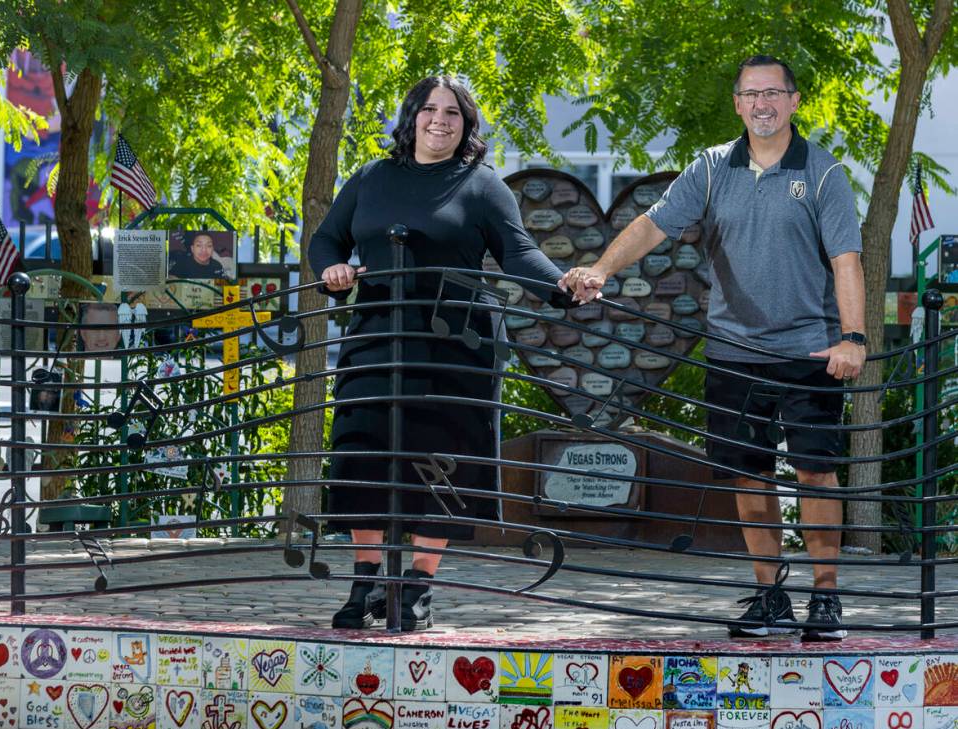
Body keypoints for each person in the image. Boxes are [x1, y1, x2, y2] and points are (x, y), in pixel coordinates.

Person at [561, 55, 865, 641]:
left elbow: (845, 260)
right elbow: (654, 223)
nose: (763, 104)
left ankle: (825, 597)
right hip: (732, 350)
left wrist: (851, 338)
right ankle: (770, 593)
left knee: (815, 475)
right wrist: (601, 269)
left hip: (809, 352)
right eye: (752, 94)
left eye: (774, 93)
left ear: (794, 101)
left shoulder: (824, 173)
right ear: (737, 104)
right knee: (748, 478)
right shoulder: (710, 168)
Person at [309, 75, 567, 632]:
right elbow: (327, 239)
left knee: (441, 457)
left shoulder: (482, 186)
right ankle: (367, 583)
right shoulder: (372, 178)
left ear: (466, 125)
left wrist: (563, 287)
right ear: (411, 117)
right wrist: (331, 272)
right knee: (363, 450)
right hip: (376, 334)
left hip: (457, 342)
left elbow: (519, 254)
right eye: (429, 110)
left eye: (453, 113)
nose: (440, 120)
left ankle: (419, 588)